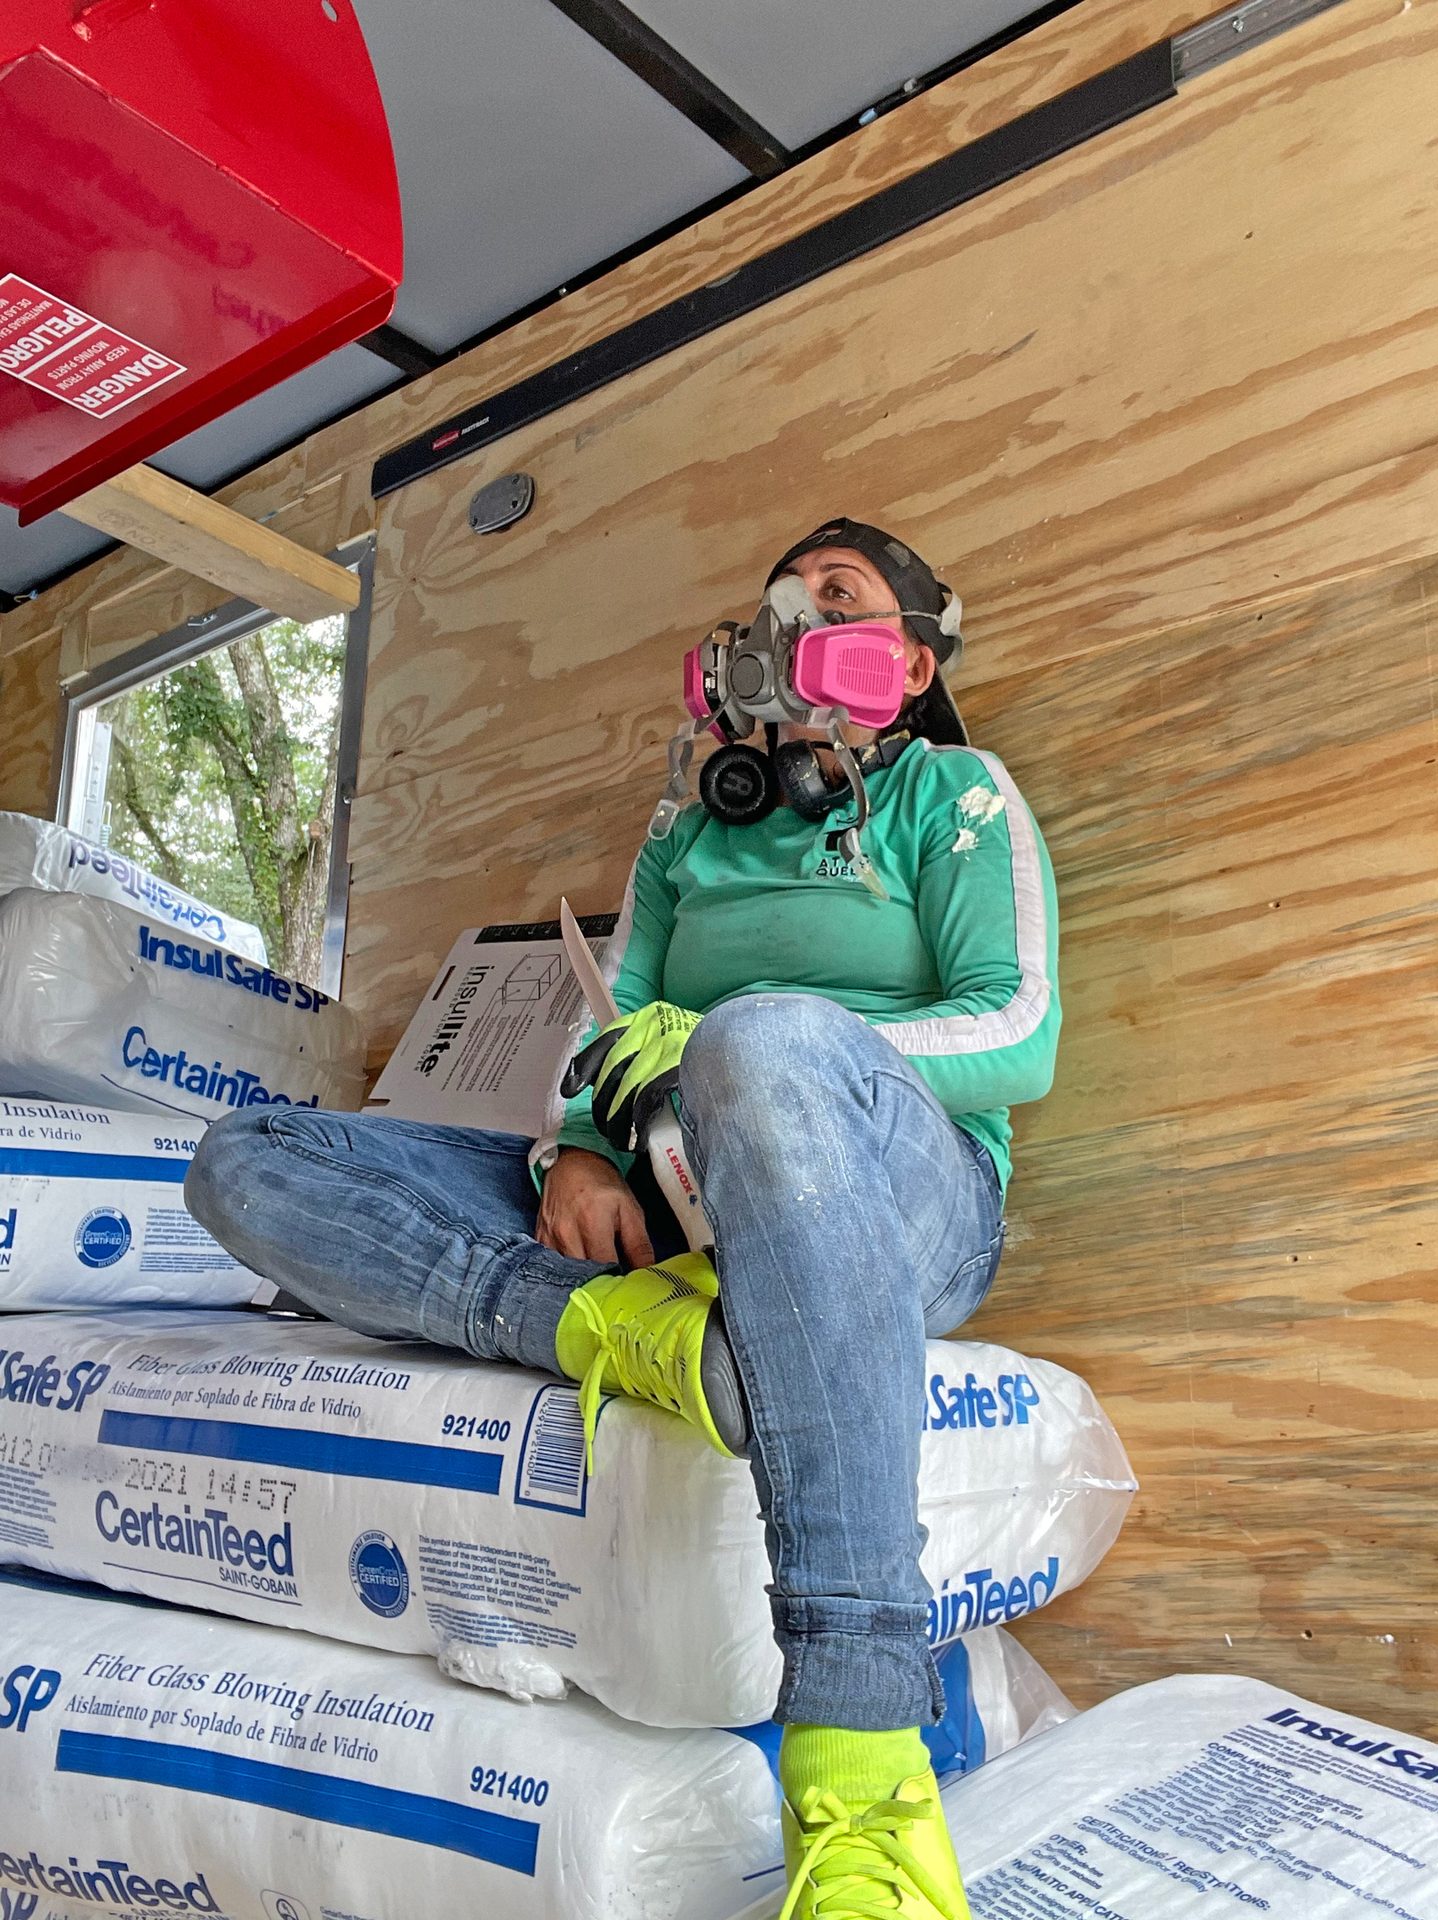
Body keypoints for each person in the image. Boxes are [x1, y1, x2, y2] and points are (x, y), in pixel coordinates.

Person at [187, 517, 1061, 1920]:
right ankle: (629, 1333)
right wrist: (580, 1160)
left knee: (760, 1042)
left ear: (908, 652)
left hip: (896, 1196)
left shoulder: (952, 796)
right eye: (772, 592)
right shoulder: (686, 828)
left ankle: (859, 1765)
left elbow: (1017, 1034)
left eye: (830, 593)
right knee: (249, 1156)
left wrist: (760, 1049)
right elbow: (612, 1017)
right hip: (666, 1193)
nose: (787, 612)